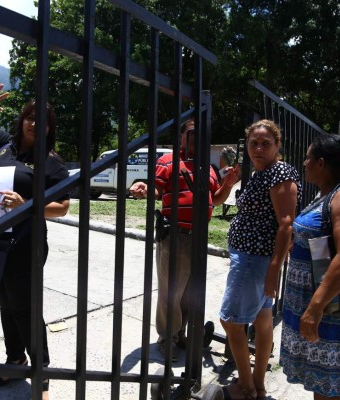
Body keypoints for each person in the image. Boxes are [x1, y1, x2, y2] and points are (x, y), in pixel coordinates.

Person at [0, 82, 70, 400]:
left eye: (43, 120)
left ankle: (41, 374)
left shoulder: (51, 161)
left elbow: (62, 207)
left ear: (50, 128)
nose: (35, 123)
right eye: (30, 117)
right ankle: (15, 358)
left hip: (25, 244)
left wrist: (27, 206)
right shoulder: (2, 144)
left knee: (25, 308)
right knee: (5, 303)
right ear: (22, 119)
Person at [129, 118, 232, 362]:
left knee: (189, 294)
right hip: (174, 237)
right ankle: (167, 339)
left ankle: (181, 335)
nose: (197, 138)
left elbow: (215, 199)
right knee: (170, 293)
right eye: (192, 133)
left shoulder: (207, 166)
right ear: (182, 137)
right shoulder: (167, 161)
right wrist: (145, 190)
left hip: (198, 238)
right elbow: (157, 189)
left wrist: (227, 184)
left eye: (201, 134)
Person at [279, 134, 340, 400]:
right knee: (323, 389)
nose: (304, 162)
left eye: (308, 158)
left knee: (332, 389)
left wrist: (315, 308)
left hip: (333, 310)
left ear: (320, 163)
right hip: (323, 308)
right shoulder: (329, 194)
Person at [218, 119, 300, 400]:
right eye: (254, 143)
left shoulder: (280, 172)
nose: (259, 148)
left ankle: (245, 387)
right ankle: (259, 386)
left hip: (255, 259)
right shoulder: (260, 173)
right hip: (252, 258)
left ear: (277, 146)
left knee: (230, 320)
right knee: (263, 320)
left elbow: (286, 224)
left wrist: (273, 270)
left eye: (266, 143)